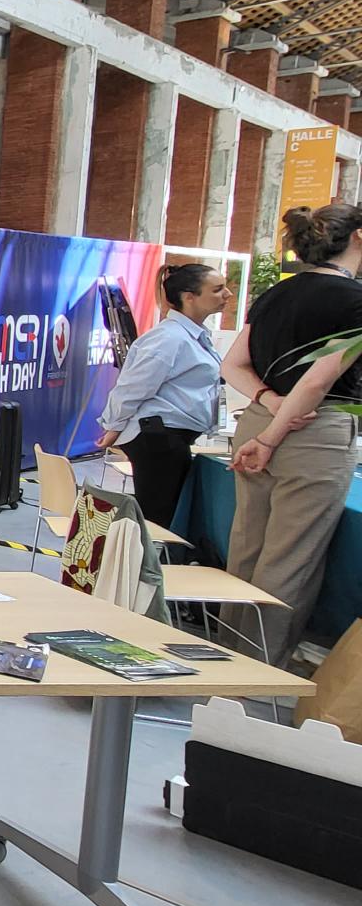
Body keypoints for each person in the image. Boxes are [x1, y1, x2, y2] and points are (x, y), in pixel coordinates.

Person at [220, 203, 362, 663]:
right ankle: (258, 669)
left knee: (247, 548)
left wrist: (266, 405)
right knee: (290, 560)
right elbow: (318, 381)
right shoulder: (354, 301)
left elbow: (233, 365)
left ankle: (227, 653)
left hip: (261, 423)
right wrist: (274, 434)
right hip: (309, 434)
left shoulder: (277, 294)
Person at [93, 263, 231, 529]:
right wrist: (113, 424)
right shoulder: (169, 338)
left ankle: (160, 566)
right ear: (189, 297)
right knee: (160, 520)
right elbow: (133, 387)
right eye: (217, 289)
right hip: (158, 438)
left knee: (168, 515)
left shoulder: (193, 336)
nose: (227, 295)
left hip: (171, 437)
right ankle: (150, 570)